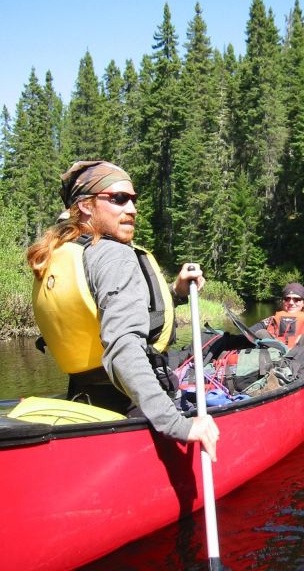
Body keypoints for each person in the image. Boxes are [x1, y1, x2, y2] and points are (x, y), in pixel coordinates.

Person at [27, 160, 219, 461]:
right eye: (118, 198)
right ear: (87, 206)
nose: (132, 208)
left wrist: (176, 292)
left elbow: (100, 308)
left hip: (84, 399)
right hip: (132, 406)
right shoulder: (115, 255)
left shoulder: (57, 254)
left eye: (133, 199)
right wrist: (178, 425)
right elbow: (123, 348)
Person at [249, 282, 304, 352]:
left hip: (301, 358)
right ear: (283, 301)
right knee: (260, 333)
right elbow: (247, 332)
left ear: (303, 303)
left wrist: (303, 336)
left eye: (296, 299)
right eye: (287, 299)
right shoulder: (270, 320)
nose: (291, 303)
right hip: (275, 357)